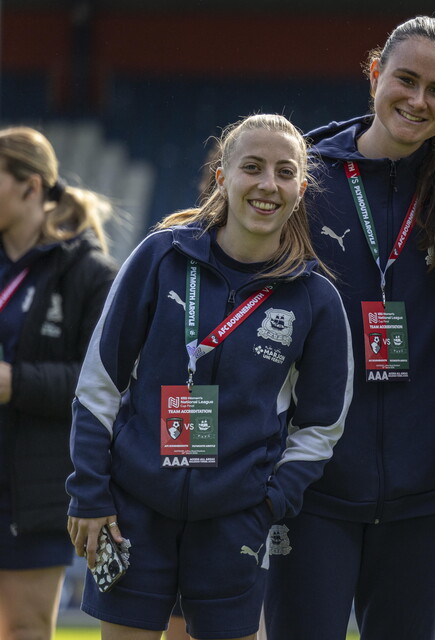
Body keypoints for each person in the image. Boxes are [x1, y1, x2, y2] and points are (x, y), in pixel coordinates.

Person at [66, 113, 353, 640]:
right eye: (252, 167)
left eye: (285, 172)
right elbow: (99, 386)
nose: (268, 185)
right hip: (135, 513)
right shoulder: (160, 257)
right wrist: (91, 493)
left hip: (235, 522)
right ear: (222, 176)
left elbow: (321, 429)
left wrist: (267, 504)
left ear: (301, 187)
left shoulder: (316, 299)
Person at [263, 16, 435, 640]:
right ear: (374, 75)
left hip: (427, 494)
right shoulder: (302, 181)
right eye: (405, 80)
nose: (418, 100)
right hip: (313, 487)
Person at [0, 126, 116, 640]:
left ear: (30, 187)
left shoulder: (86, 271)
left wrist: (12, 383)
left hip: (31, 488)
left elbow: (101, 385)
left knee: (24, 628)